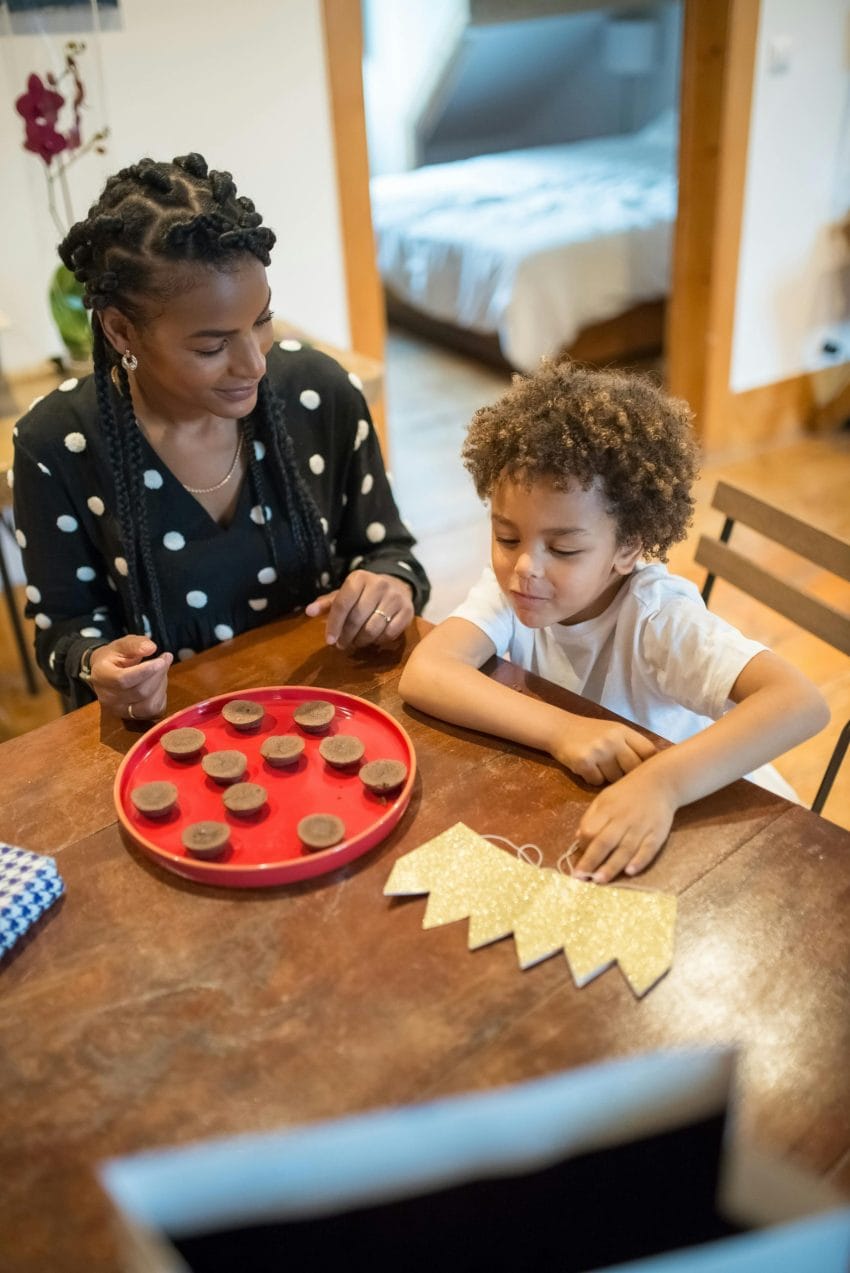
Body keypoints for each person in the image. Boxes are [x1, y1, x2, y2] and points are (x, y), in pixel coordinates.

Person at [12, 153, 429, 716]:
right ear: (120, 329)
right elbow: (62, 632)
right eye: (212, 347)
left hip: (325, 711)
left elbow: (389, 551)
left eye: (261, 321)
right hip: (168, 739)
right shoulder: (58, 444)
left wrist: (388, 588)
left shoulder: (319, 391)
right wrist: (99, 664)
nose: (254, 364)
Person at [399, 361, 829, 883]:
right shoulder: (514, 587)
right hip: (614, 802)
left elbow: (800, 703)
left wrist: (662, 786)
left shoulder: (657, 616)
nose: (526, 567)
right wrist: (564, 731)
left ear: (628, 547)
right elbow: (428, 672)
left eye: (564, 547)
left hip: (724, 812)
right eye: (507, 537)